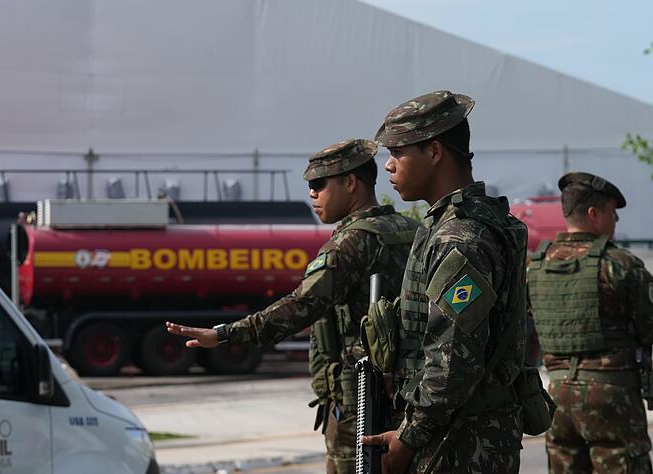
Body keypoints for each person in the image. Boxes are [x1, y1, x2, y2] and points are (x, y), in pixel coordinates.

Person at [166, 138, 421, 474]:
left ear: (350, 183)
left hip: (360, 398)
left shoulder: (351, 244)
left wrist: (227, 334)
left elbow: (301, 306)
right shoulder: (413, 230)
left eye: (319, 184)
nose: (312, 194)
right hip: (407, 397)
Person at [361, 90, 529, 473]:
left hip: (459, 445)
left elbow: (454, 358)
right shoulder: (455, 225)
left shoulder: (460, 238)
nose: (388, 166)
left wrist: (409, 437)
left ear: (434, 152)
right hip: (462, 435)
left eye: (397, 152)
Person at [527, 172, 653, 473]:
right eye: (612, 211)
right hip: (611, 397)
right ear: (594, 214)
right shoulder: (619, 264)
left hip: (556, 396)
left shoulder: (536, 267)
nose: (616, 219)